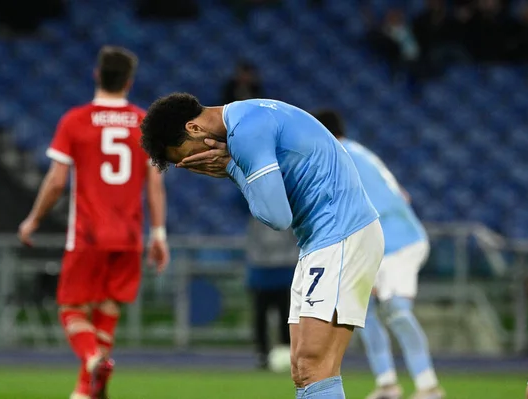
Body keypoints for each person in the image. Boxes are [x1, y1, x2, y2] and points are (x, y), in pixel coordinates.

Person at [140, 93, 384, 399]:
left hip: (342, 234)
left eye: (184, 157)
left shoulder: (245, 132)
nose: (192, 164)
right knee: (302, 368)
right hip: (323, 239)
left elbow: (277, 216)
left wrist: (232, 168)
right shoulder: (247, 115)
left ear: (194, 128)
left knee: (312, 365)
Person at [18, 46, 170, 399]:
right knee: (108, 306)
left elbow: (56, 181)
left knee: (71, 307)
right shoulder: (144, 123)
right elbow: (155, 184)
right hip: (129, 235)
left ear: (96, 76)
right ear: (129, 82)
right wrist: (159, 234)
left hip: (87, 234)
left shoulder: (75, 120)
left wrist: (33, 220)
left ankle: (90, 360)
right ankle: (86, 391)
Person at [313, 110, 444, 399]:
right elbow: (403, 195)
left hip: (399, 244)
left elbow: (357, 211)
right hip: (383, 242)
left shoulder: (341, 159)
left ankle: (428, 385)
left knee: (396, 311)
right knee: (362, 310)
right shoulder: (361, 154)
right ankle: (387, 384)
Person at [246, 217, 298, 369]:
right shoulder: (255, 209)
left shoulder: (288, 211)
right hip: (262, 270)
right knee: (260, 316)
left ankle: (288, 351)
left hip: (284, 270)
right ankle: (262, 353)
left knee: (288, 316)